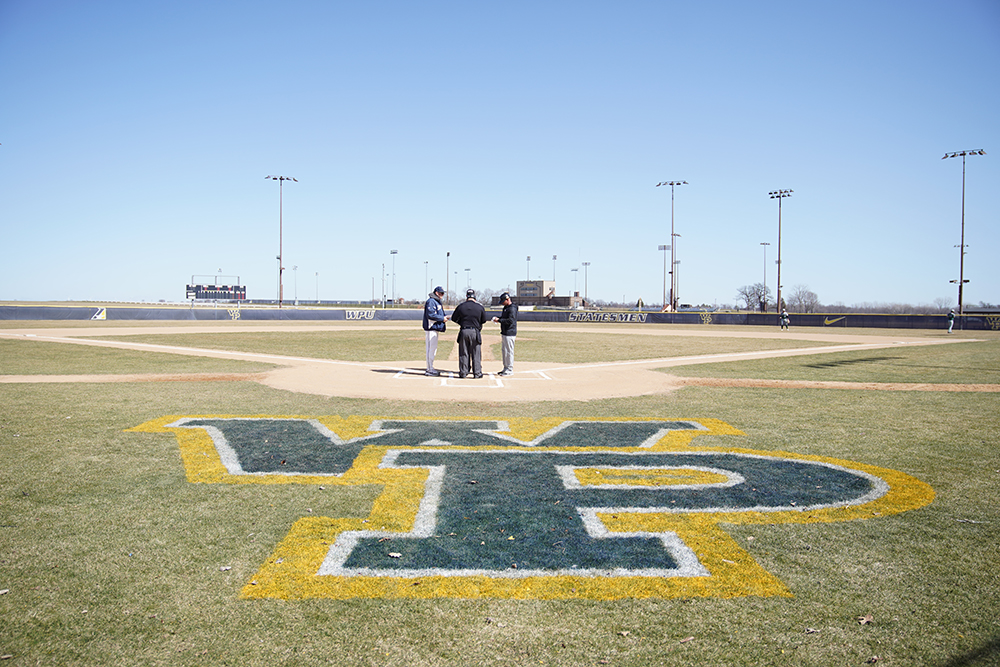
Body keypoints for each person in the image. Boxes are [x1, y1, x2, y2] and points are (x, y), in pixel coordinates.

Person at [451, 288, 487, 378]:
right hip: (475, 331)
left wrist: (462, 323)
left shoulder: (461, 306)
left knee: (464, 352)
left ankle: (463, 372)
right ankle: (477, 373)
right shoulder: (479, 307)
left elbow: (454, 318)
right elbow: (483, 320)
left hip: (464, 330)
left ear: (466, 296)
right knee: (476, 353)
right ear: (475, 296)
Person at [422, 286, 449, 376]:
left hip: (435, 328)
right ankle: (429, 369)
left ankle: (430, 367)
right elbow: (430, 315)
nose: (442, 295)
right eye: (441, 293)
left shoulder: (437, 301)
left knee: (433, 349)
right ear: (436, 293)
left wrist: (444, 317)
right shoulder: (431, 301)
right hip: (431, 328)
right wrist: (442, 318)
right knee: (430, 349)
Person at [491, 292, 518, 376]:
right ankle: (505, 368)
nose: (502, 303)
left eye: (503, 301)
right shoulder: (506, 308)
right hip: (505, 332)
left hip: (510, 333)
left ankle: (509, 369)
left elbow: (510, 321)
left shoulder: (512, 308)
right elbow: (504, 318)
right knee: (504, 351)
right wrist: (498, 319)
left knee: (509, 351)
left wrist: (499, 320)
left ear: (507, 299)